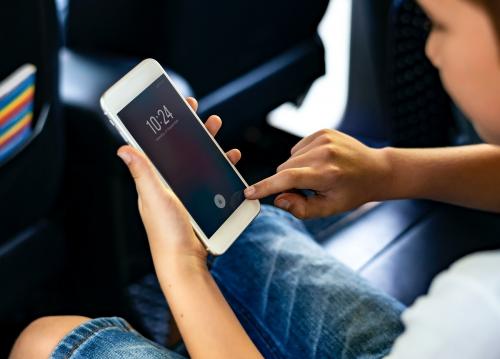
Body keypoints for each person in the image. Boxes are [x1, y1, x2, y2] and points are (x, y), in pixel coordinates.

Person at [9, 0, 500, 357]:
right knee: (246, 228)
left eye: (440, 24)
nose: (429, 47)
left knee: (44, 340)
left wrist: (181, 265)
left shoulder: (477, 308)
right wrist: (389, 171)